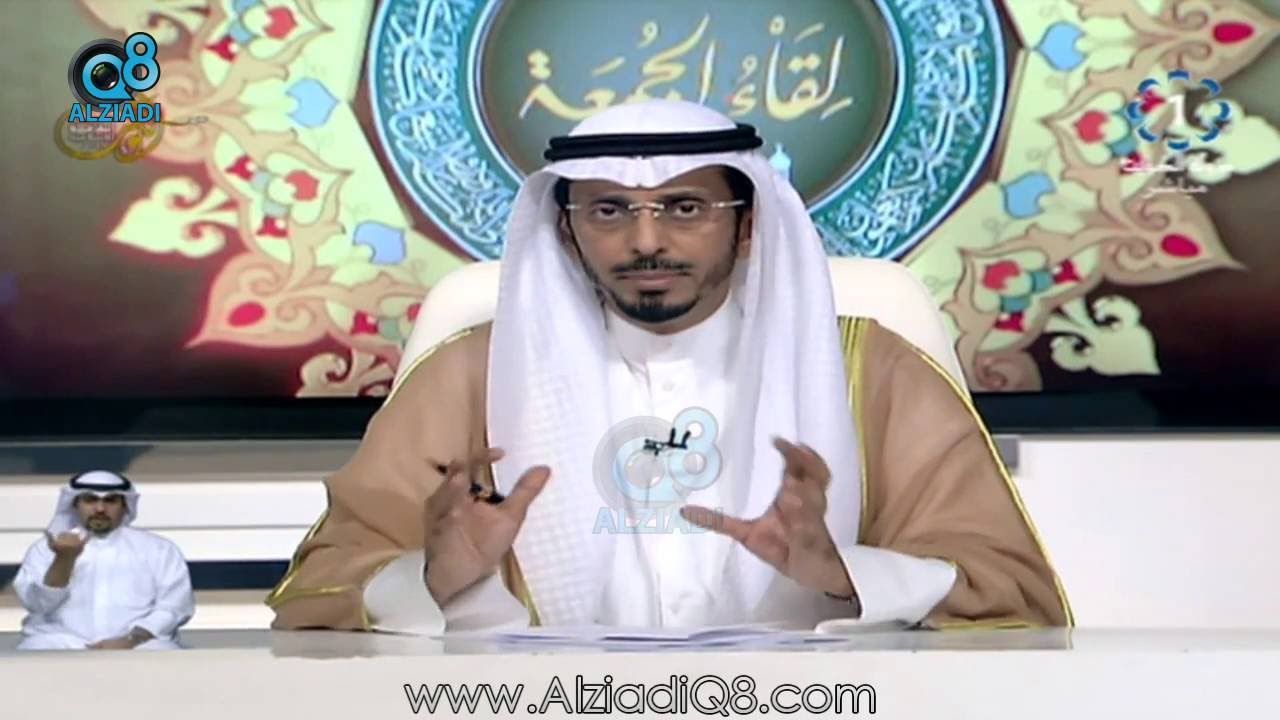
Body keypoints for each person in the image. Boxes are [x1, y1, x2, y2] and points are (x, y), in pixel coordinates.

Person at [267, 100, 1072, 634]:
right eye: (609, 211)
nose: (646, 241)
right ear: (567, 230)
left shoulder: (871, 369)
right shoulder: (470, 376)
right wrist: (437, 578)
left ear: (747, 225)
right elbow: (320, 591)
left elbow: (1014, 593)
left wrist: (847, 575)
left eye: (685, 209)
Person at [13, 470, 194, 650]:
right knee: (38, 647)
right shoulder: (44, 549)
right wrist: (64, 559)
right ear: (75, 504)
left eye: (110, 500)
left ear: (125, 506)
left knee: (161, 650)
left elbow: (174, 607)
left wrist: (130, 640)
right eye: (90, 500)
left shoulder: (158, 549)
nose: (100, 509)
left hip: (135, 645)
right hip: (64, 643)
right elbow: (38, 605)